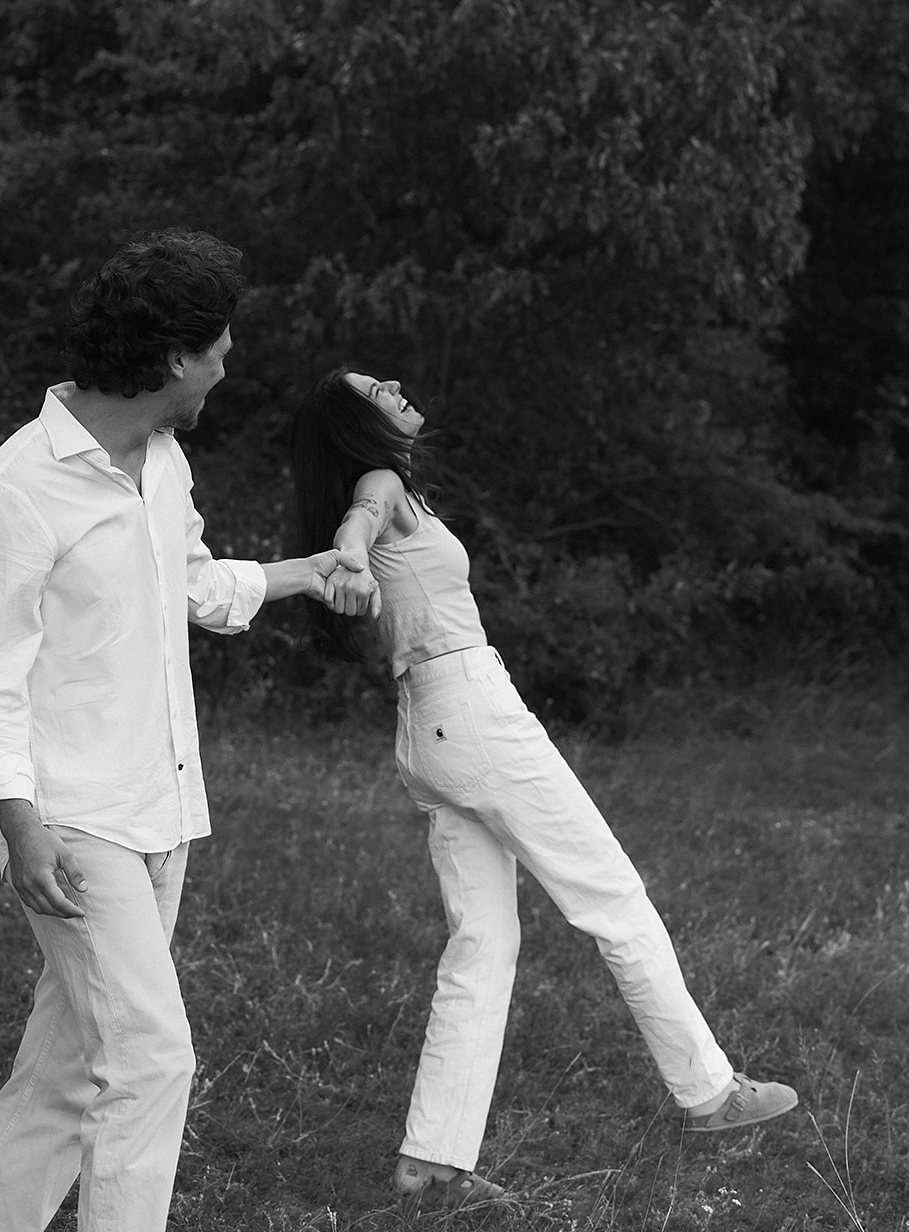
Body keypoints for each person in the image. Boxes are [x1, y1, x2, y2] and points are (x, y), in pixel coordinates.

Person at [0, 231, 378, 1232]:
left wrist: (305, 570)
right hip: (71, 821)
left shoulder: (163, 460)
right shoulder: (14, 490)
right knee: (148, 1057)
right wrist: (19, 823)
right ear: (175, 356)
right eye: (219, 348)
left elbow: (189, 583)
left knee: (69, 1070)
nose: (228, 365)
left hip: (159, 806)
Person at [290, 366, 798, 1213]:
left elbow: (371, 547)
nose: (393, 383)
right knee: (615, 898)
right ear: (357, 425)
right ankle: (708, 1092)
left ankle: (431, 1165)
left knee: (481, 944)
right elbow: (363, 514)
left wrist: (353, 557)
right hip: (470, 715)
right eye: (374, 387)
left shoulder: (392, 495)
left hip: (428, 725)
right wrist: (346, 546)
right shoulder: (377, 486)